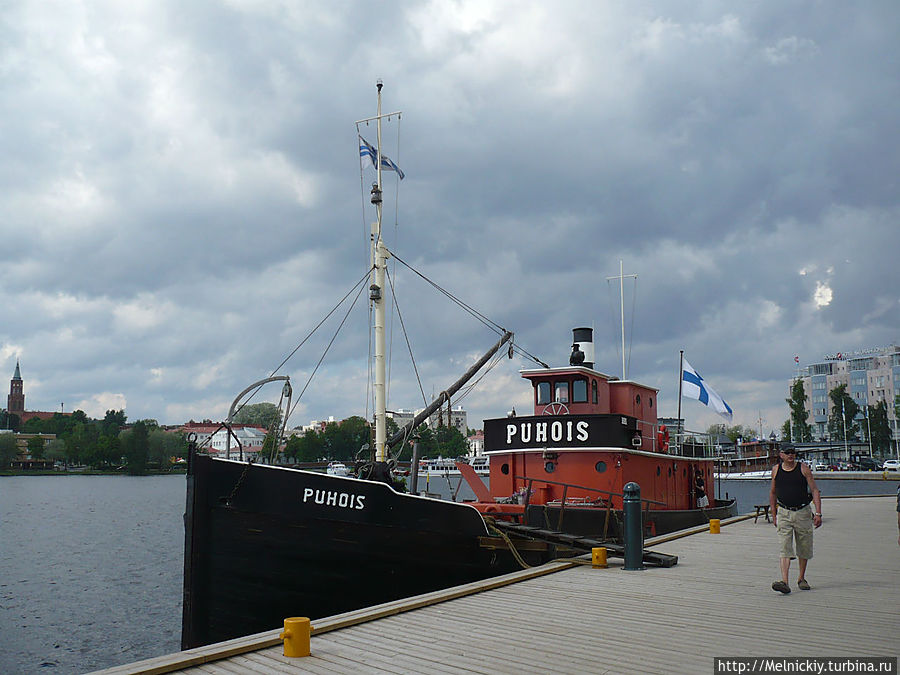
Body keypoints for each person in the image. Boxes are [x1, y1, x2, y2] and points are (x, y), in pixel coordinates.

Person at [769, 445, 821, 593]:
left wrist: (818, 513)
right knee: (784, 547)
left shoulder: (803, 469)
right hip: (784, 512)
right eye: (788, 453)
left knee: (803, 546)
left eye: (793, 453)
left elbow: (815, 490)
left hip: (802, 511)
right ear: (781, 455)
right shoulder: (776, 470)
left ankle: (801, 578)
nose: (791, 455)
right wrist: (774, 515)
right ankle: (784, 581)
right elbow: (772, 492)